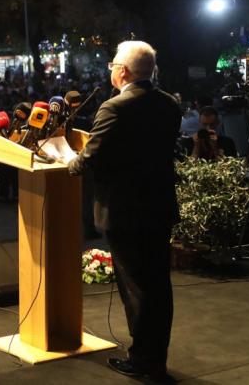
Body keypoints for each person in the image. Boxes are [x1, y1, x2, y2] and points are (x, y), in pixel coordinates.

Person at [68, 40, 180, 382]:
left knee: (136, 288)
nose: (111, 70)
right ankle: (154, 357)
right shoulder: (169, 104)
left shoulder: (115, 107)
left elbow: (92, 158)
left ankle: (144, 362)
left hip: (125, 211)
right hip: (158, 206)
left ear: (124, 71)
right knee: (158, 285)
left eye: (113, 64)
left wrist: (69, 162)